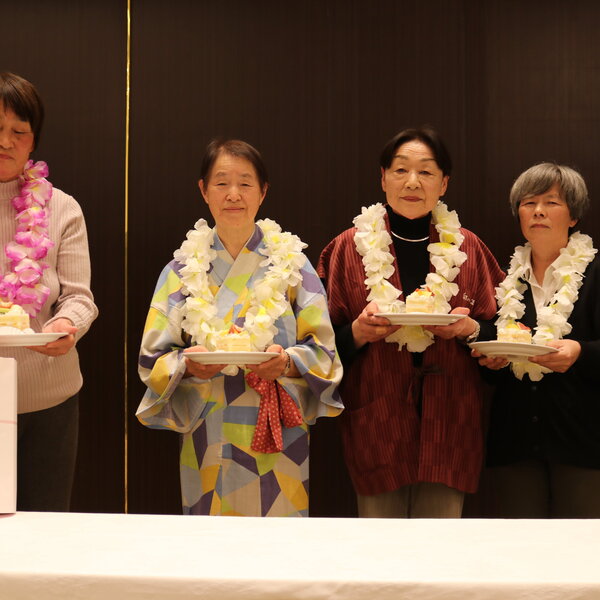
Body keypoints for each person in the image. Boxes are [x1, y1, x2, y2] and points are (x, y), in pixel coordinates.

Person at [137, 138, 343, 517]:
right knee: (210, 542)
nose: (233, 194)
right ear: (204, 190)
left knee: (278, 540)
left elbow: (325, 354)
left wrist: (286, 362)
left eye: (245, 183)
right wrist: (188, 365)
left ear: (263, 192)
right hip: (207, 429)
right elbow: (153, 359)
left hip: (278, 429)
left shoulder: (293, 266)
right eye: (222, 183)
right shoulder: (180, 271)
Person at [318, 126, 503, 518]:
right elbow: (317, 347)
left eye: (426, 171)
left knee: (440, 547)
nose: (413, 182)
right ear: (383, 178)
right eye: (401, 170)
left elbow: (501, 332)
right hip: (377, 422)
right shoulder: (347, 248)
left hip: (450, 424)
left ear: (444, 183)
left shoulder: (469, 248)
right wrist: (357, 333)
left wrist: (469, 330)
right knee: (380, 548)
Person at [476, 163, 600, 518]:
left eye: (551, 202)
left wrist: (580, 352)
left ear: (573, 216)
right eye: (528, 203)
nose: (538, 211)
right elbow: (490, 367)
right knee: (521, 547)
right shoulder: (505, 281)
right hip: (514, 443)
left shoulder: (596, 273)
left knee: (580, 547)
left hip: (583, 443)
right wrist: (491, 361)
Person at [0, 72, 98, 511]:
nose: (5, 142)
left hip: (50, 401)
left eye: (18, 132)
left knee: (44, 529)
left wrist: (66, 323)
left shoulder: (62, 208)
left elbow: (80, 297)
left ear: (33, 141)